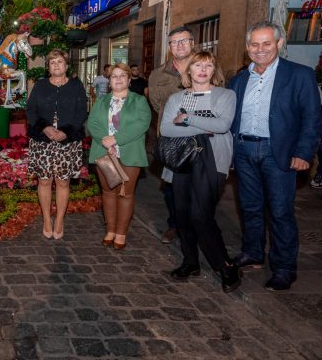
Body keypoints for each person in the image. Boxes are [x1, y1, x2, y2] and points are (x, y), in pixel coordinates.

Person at [229, 21, 322, 291]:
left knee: (281, 211)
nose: (260, 50)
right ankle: (253, 252)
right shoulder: (238, 79)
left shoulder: (300, 75)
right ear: (247, 47)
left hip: (278, 153)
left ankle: (284, 267)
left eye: (266, 43)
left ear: (279, 44)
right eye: (254, 44)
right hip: (244, 150)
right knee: (249, 207)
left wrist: (303, 152)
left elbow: (311, 119)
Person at [160, 51, 241, 293]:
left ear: (214, 70)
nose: (203, 70)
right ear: (189, 71)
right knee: (182, 213)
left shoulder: (226, 95)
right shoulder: (176, 98)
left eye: (208, 65)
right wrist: (200, 128)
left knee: (200, 214)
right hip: (182, 159)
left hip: (212, 159)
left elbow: (222, 125)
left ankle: (225, 265)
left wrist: (186, 118)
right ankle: (190, 261)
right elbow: (166, 129)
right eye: (198, 66)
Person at [88, 63, 150, 249]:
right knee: (108, 193)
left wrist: (116, 139)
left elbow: (142, 124)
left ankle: (121, 233)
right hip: (104, 152)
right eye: (114, 76)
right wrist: (105, 141)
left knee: (125, 194)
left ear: (129, 80)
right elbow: (92, 124)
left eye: (123, 75)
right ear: (109, 82)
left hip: (129, 152)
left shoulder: (139, 101)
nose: (118, 79)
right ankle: (111, 230)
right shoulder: (101, 101)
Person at [27, 49, 88, 240]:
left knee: (63, 181)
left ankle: (59, 220)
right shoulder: (40, 86)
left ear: (66, 65)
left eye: (60, 62)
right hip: (43, 141)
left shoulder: (76, 86)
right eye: (52, 62)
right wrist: (44, 128)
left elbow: (81, 113)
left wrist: (67, 132)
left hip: (67, 142)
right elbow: (30, 111)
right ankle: (46, 219)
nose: (56, 65)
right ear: (48, 67)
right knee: (44, 180)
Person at [148, 25, 196, 244]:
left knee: (200, 186)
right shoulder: (158, 73)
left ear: (193, 43)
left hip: (202, 136)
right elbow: (157, 105)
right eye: (174, 42)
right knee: (171, 186)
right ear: (169, 47)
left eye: (184, 41)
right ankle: (174, 224)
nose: (179, 45)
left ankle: (198, 224)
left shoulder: (206, 66)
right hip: (171, 139)